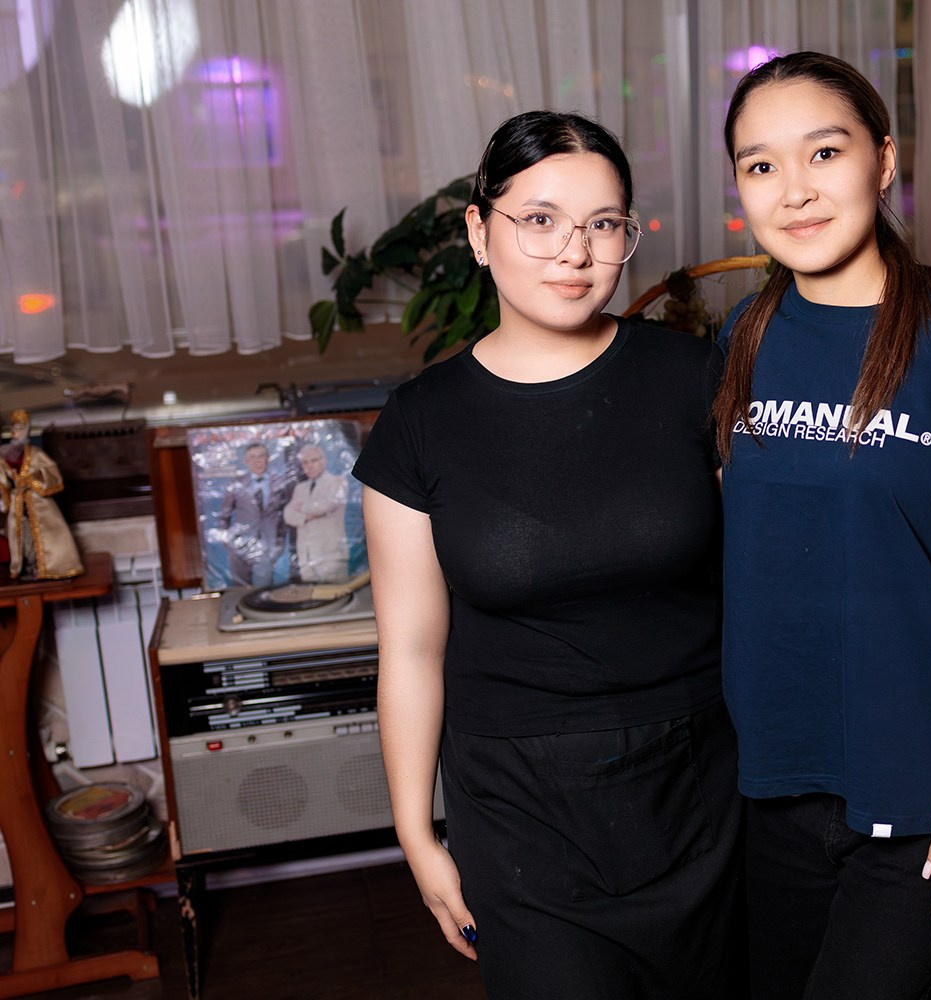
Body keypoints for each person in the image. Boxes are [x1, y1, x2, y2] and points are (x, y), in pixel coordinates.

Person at [353, 110, 741, 999]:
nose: (575, 251)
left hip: (703, 789)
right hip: (519, 810)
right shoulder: (420, 423)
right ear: (478, 232)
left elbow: (773, 575)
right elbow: (410, 650)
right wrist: (416, 834)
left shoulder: (695, 376)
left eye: (604, 224)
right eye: (539, 219)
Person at [712, 52, 931, 999]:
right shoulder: (742, 337)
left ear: (884, 160)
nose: (794, 190)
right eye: (760, 165)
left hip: (924, 787)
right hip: (769, 781)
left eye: (823, 152)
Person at [0, 409, 84, 581]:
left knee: (47, 534)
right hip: (18, 503)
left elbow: (51, 473)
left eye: (20, 428)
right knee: (21, 537)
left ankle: (47, 566)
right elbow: (2, 480)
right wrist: (4, 497)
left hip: (38, 502)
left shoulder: (36, 453)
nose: (16, 432)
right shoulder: (4, 456)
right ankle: (26, 566)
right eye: (14, 428)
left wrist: (33, 480)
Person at [216, 441, 290, 587]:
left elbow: (284, 515)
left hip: (267, 545)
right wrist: (228, 542)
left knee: (264, 589)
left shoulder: (279, 483)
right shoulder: (236, 484)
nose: (258, 461)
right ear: (246, 461)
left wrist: (279, 542)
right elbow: (224, 515)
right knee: (240, 589)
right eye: (253, 457)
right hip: (239, 545)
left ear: (268, 458)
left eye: (261, 456)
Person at [282, 443, 350, 582]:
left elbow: (326, 505)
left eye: (314, 460)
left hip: (330, 555)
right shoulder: (300, 488)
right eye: (305, 462)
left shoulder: (338, 482)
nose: (309, 466)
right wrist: (306, 517)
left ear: (323, 461)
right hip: (305, 555)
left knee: (335, 593)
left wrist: (301, 508)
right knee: (311, 594)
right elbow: (287, 514)